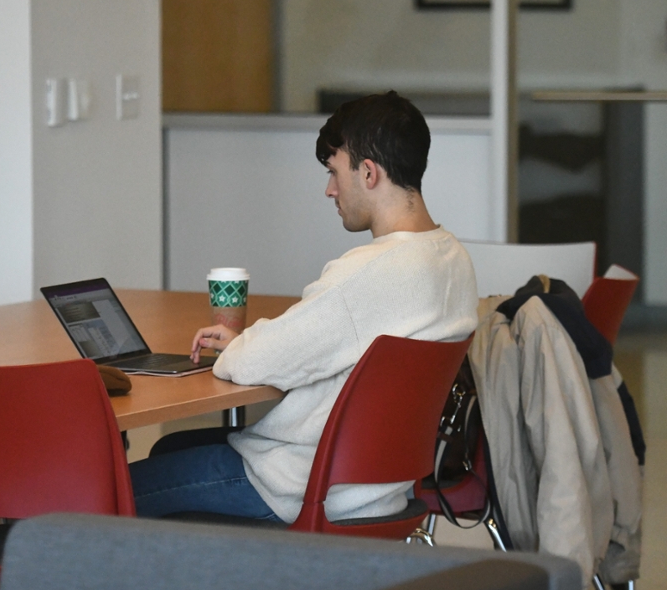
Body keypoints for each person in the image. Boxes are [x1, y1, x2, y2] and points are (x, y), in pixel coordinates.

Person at [129, 91, 478, 524]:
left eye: (335, 172)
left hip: (303, 487)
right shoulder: (453, 258)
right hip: (383, 487)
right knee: (170, 448)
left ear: (369, 173)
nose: (329, 189)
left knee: (110, 491)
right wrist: (251, 344)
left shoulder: (370, 273)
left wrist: (240, 348)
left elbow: (256, 361)